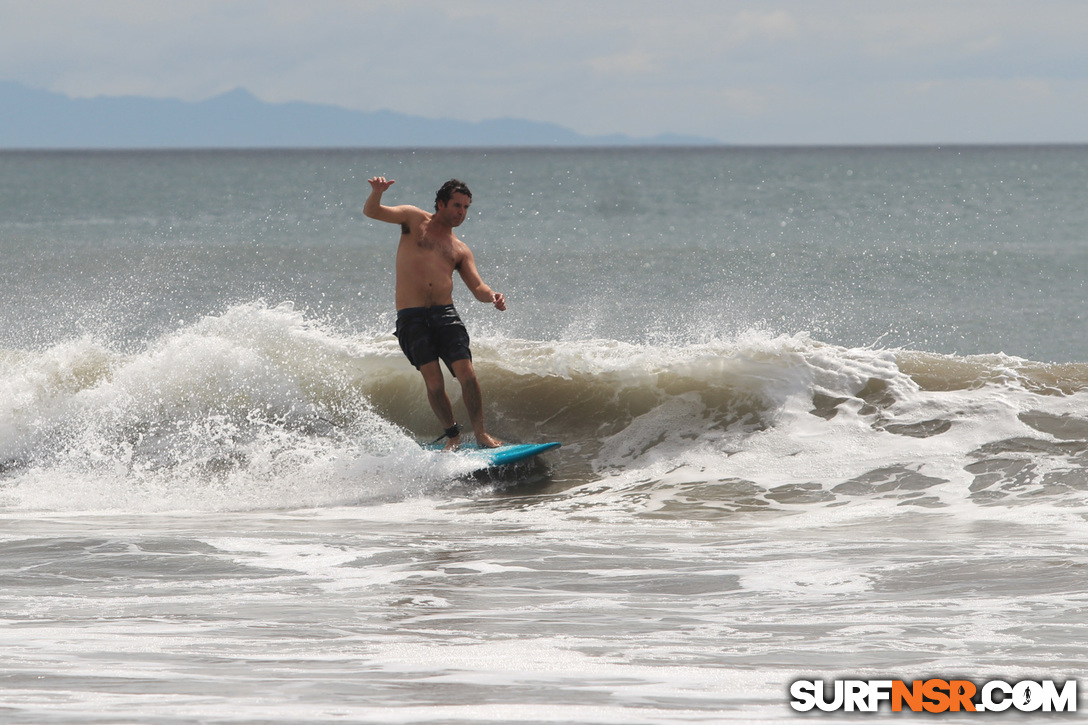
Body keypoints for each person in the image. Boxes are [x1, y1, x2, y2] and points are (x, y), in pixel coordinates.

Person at [364, 176, 505, 450]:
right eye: (456, 205)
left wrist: (492, 296)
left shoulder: (460, 249)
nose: (461, 212)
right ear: (441, 204)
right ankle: (453, 436)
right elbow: (372, 212)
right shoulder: (413, 219)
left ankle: (480, 433)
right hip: (412, 316)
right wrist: (377, 192)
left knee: (467, 374)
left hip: (445, 314)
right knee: (434, 381)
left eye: (466, 207)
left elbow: (477, 286)